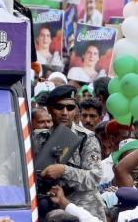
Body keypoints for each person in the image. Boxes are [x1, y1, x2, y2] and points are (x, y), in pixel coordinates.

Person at [33, 85, 106, 220]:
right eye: (59, 107)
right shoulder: (38, 138)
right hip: (46, 203)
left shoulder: (86, 138)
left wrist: (64, 171)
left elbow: (94, 177)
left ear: (76, 110)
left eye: (70, 108)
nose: (65, 112)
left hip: (82, 205)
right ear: (49, 109)